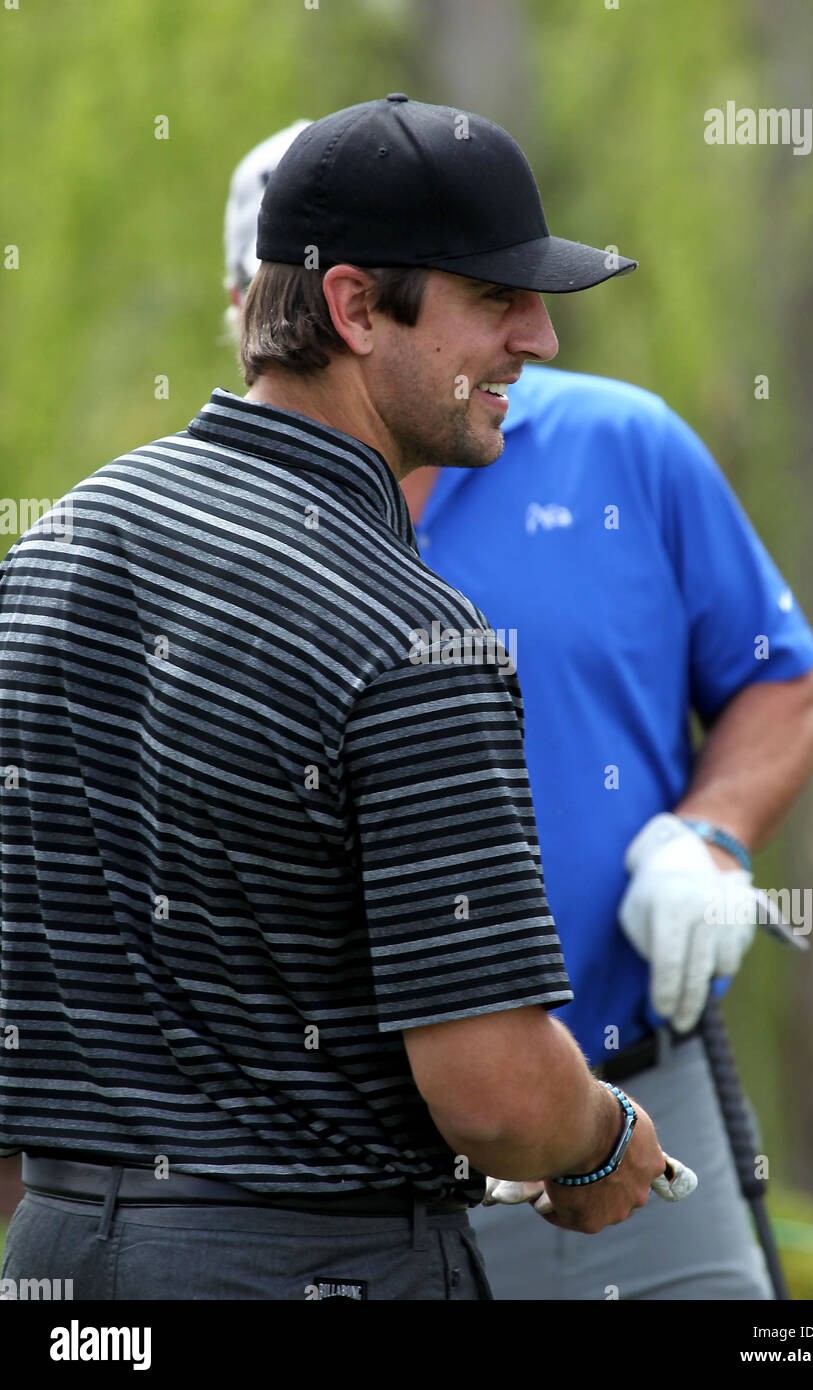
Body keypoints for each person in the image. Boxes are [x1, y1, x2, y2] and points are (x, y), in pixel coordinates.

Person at [0, 95, 684, 1303]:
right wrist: (603, 1141)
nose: (542, 340)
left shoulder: (56, 547)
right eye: (496, 299)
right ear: (354, 306)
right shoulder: (415, 633)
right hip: (315, 1266)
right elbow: (495, 1095)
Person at [221, 121, 813, 1301]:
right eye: (257, 299)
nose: (533, 338)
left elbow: (779, 685)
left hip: (642, 1106)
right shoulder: (219, 530)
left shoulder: (626, 448)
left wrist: (710, 832)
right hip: (356, 1174)